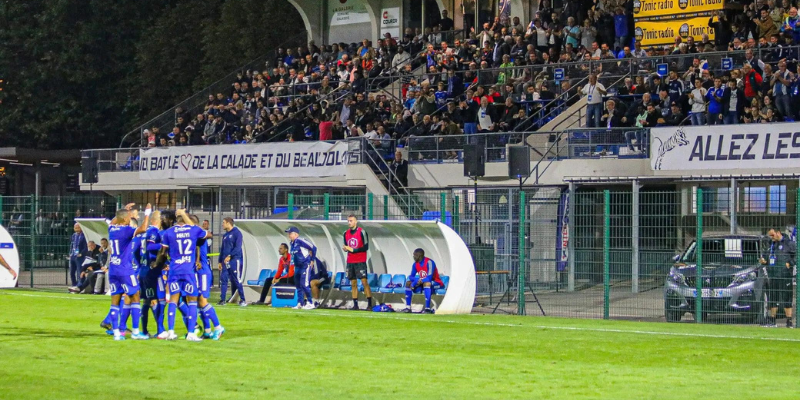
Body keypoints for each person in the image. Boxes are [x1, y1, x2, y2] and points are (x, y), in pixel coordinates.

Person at [155, 209, 210, 341]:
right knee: (192, 301)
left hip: (174, 270)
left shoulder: (169, 232)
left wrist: (158, 265)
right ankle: (191, 333)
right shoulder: (193, 230)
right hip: (188, 271)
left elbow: (163, 252)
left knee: (173, 300)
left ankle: (171, 332)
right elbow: (208, 234)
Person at [106, 203, 151, 341]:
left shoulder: (112, 229)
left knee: (115, 300)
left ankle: (117, 334)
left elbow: (115, 220)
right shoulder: (126, 230)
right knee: (135, 295)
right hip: (125, 270)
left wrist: (124, 211)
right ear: (125, 219)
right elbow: (143, 228)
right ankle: (136, 332)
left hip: (113, 269)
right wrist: (147, 213)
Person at [189, 215, 224, 340]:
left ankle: (218, 327)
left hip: (203, 271)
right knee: (198, 303)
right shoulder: (194, 234)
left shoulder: (198, 233)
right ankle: (207, 331)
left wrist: (197, 260)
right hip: (197, 272)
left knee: (203, 301)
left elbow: (198, 248)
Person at [760, 228, 796, 328]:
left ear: (778, 233)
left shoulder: (789, 243)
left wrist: (790, 263)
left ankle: (789, 321)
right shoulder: (771, 245)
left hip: (785, 276)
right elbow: (766, 256)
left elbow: (797, 256)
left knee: (787, 298)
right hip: (773, 276)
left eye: (772, 235)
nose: (771, 237)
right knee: (773, 298)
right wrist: (764, 260)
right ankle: (772, 320)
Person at [342, 215, 372, 310]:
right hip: (350, 261)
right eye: (348, 221)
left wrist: (354, 250)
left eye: (351, 220)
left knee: (364, 282)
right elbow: (347, 246)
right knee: (353, 283)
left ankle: (370, 304)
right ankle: (355, 304)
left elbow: (366, 247)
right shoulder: (345, 233)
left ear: (356, 222)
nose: (349, 222)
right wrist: (345, 249)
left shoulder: (362, 232)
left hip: (360, 261)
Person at [401, 248, 444, 314]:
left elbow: (429, 277)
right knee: (408, 283)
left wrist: (419, 281)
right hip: (422, 282)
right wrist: (416, 281)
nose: (413, 257)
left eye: (415, 255)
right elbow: (411, 276)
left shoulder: (429, 262)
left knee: (427, 283)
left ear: (419, 255)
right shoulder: (415, 264)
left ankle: (427, 308)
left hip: (436, 283)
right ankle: (408, 307)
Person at [285, 226, 316, 309]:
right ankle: (300, 303)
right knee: (298, 285)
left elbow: (313, 248)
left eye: (290, 233)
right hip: (297, 266)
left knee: (304, 284)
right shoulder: (292, 243)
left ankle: (310, 302)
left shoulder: (301, 241)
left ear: (296, 234)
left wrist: (312, 260)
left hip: (305, 265)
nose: (289, 235)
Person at [218, 217, 246, 306]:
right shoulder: (225, 235)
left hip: (234, 260)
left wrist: (230, 256)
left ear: (228, 223)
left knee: (237, 279)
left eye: (223, 222)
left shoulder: (237, 233)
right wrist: (219, 261)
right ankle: (222, 300)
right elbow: (222, 249)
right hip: (225, 261)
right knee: (224, 279)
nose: (222, 224)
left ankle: (243, 299)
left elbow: (238, 248)